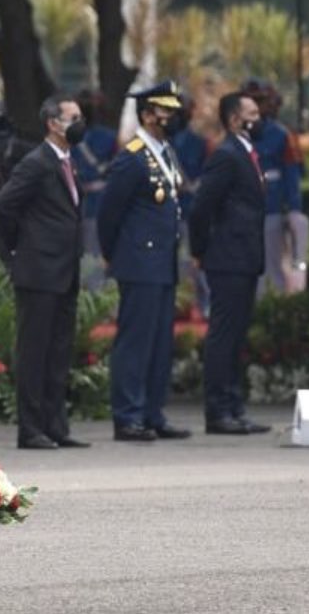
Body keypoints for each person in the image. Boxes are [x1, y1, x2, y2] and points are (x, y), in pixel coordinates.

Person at [0, 95, 89, 450]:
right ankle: (31, 428)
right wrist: (19, 247)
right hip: (38, 270)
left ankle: (55, 425)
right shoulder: (37, 161)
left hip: (64, 270)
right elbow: (3, 205)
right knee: (35, 352)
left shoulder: (67, 161)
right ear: (53, 123)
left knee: (59, 351)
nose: (80, 122)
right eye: (73, 117)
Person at [98, 81, 191, 442]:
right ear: (148, 114)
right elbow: (109, 213)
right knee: (136, 341)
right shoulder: (132, 156)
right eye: (165, 111)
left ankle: (152, 412)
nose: (172, 117)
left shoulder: (165, 152)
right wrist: (115, 253)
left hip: (163, 260)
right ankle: (128, 416)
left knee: (159, 342)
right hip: (139, 261)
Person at [189, 92, 271, 435]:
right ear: (235, 119)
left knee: (237, 336)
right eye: (252, 112)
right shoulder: (226, 155)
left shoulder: (246, 152)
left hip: (245, 258)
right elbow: (201, 207)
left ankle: (234, 407)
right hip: (227, 258)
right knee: (223, 336)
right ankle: (219, 410)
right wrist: (201, 251)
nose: (259, 117)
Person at [245, 80, 307, 294]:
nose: (255, 106)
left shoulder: (281, 135)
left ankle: (275, 313)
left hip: (271, 208)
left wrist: (293, 208)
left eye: (260, 101)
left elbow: (292, 175)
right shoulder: (237, 134)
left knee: (273, 267)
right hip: (242, 212)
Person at [73, 89, 119, 290]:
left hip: (82, 201)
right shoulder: (110, 137)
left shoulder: (71, 137)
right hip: (96, 200)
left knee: (91, 250)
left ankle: (94, 295)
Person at [171, 93, 211, 316]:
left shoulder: (201, 143)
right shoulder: (163, 143)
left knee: (197, 260)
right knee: (173, 261)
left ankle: (204, 304)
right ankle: (180, 306)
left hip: (193, 207)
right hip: (170, 208)